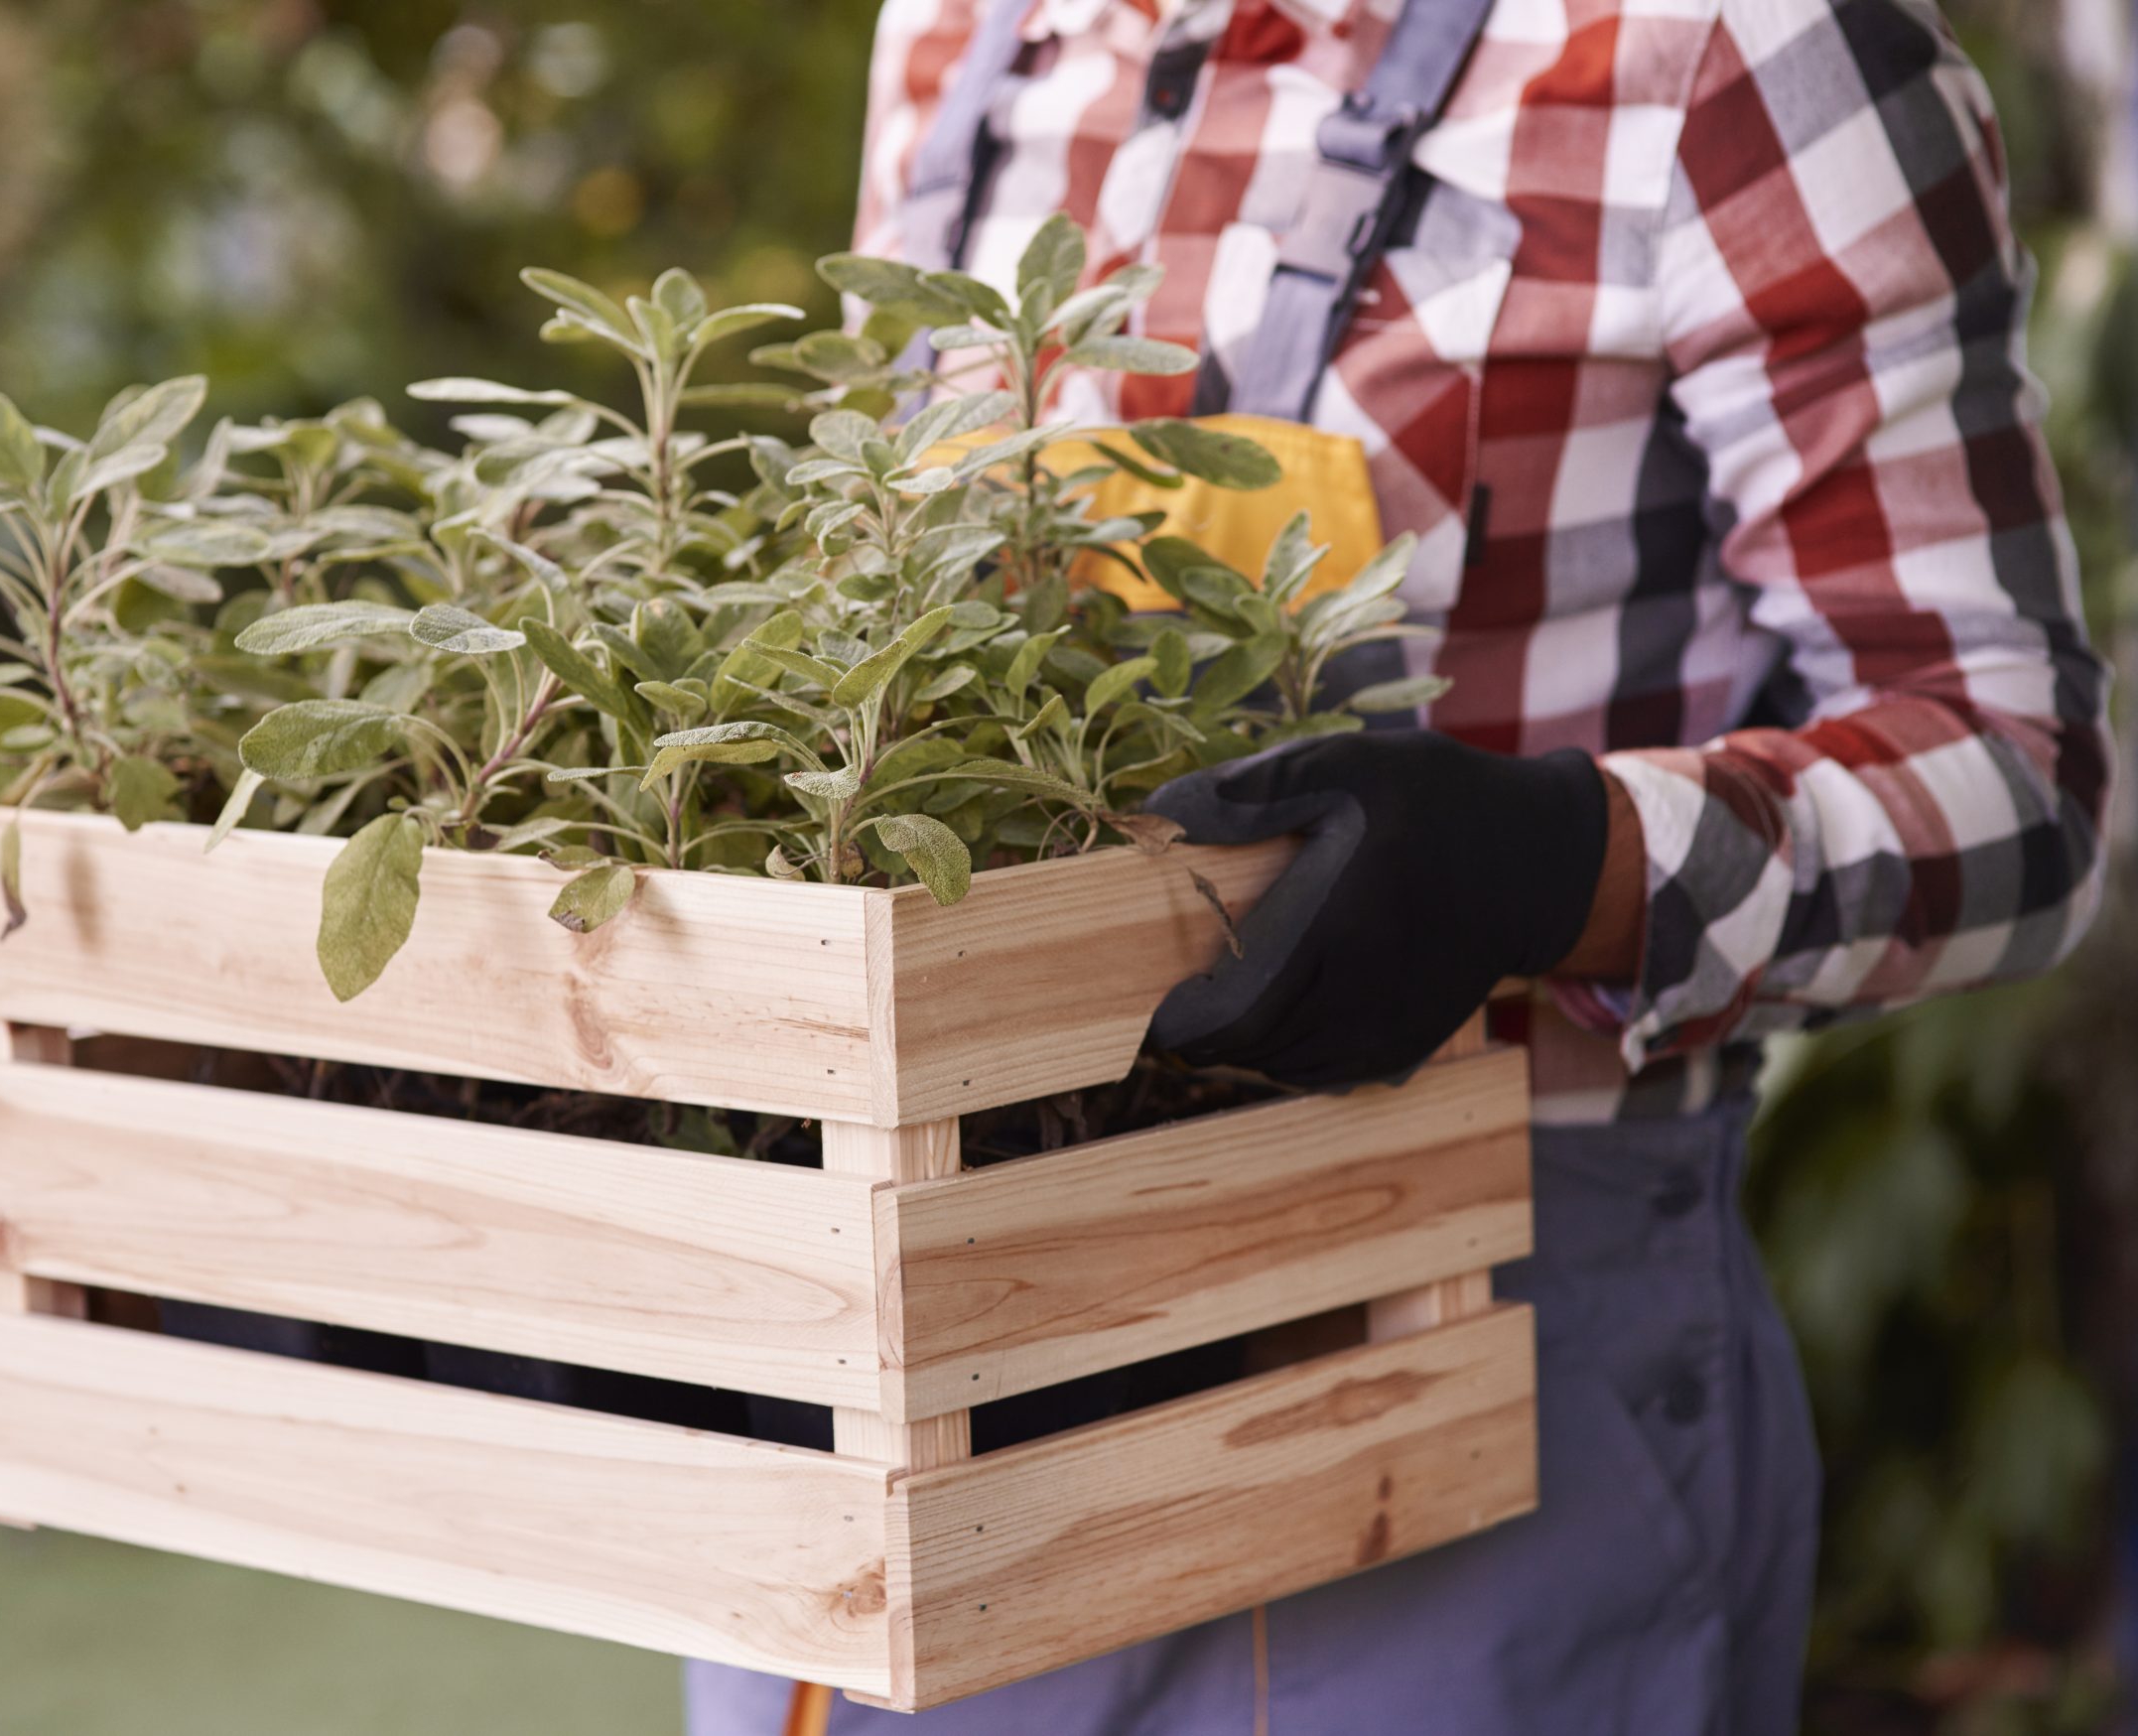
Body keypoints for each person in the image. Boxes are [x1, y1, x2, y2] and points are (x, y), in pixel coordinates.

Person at [686, 0, 2115, 1730]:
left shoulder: (1735, 48)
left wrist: (1557, 863)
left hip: (1475, 1362)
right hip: (926, 1356)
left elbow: (2018, 778)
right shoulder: (970, 30)